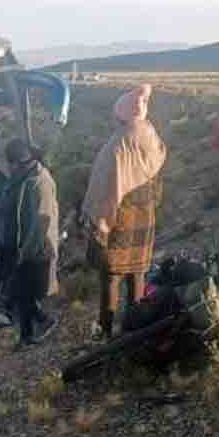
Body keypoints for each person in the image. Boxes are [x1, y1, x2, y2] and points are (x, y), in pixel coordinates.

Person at [82, 84, 167, 339]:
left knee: (111, 277)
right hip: (146, 215)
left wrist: (99, 224)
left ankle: (107, 332)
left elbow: (104, 189)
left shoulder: (117, 144)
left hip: (120, 218)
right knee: (138, 273)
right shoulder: (152, 135)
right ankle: (135, 329)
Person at [0, 139, 60, 345]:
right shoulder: (20, 178)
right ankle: (34, 329)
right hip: (18, 243)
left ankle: (32, 331)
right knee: (20, 292)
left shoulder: (39, 182)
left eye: (11, 164)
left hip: (34, 246)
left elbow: (41, 221)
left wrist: (26, 250)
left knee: (23, 292)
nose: (9, 168)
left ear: (19, 162)